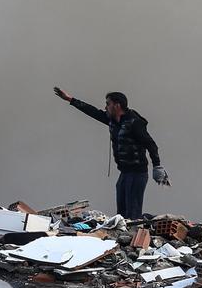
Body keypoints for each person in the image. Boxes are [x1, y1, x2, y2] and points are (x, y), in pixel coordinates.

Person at [54, 87, 168, 218]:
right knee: (122, 213)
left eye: (108, 103)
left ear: (117, 105)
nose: (105, 107)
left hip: (137, 174)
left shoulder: (134, 122)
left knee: (133, 213)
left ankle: (136, 235)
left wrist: (157, 166)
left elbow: (151, 145)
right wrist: (70, 99)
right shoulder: (112, 120)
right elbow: (92, 111)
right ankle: (125, 234)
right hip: (124, 172)